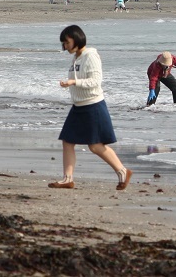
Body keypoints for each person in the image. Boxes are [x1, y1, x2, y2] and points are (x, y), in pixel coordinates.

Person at [51, 25, 132, 191]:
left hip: (93, 105)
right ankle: (67, 179)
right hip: (78, 106)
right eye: (63, 43)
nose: (64, 46)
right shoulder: (76, 58)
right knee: (67, 141)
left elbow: (95, 81)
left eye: (66, 42)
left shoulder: (90, 55)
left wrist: (74, 82)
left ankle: (123, 171)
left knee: (95, 145)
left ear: (76, 39)